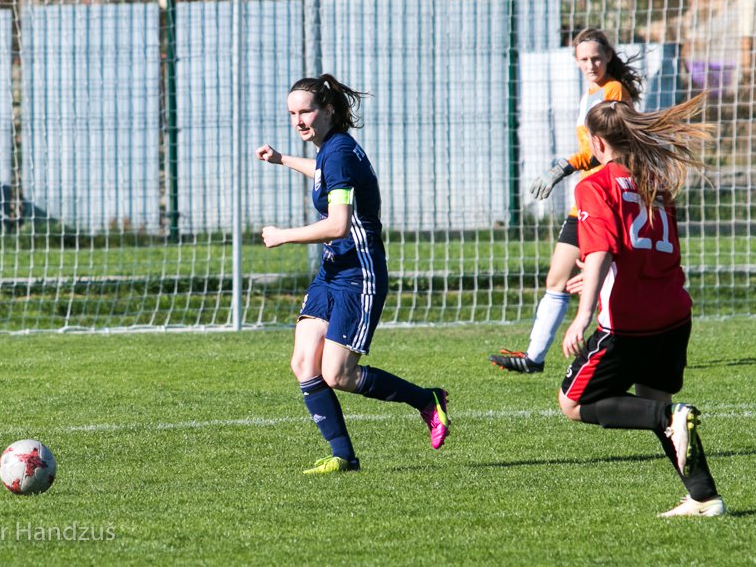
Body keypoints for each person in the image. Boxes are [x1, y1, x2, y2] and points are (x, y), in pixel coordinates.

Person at [255, 74, 450, 474]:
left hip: (359, 274)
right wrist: (282, 159)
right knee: (304, 362)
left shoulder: (339, 152)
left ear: (327, 110)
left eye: (305, 111)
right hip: (332, 270)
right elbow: (323, 172)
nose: (298, 120)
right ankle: (343, 456)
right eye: (292, 113)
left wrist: (283, 236)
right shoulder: (332, 149)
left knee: (337, 374)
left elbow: (339, 225)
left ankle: (427, 400)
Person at [557, 94, 725, 517]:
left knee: (572, 403)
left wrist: (582, 314)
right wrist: (600, 276)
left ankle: (670, 416)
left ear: (597, 142)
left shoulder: (593, 185)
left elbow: (601, 251)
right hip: (672, 314)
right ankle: (704, 496)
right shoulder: (656, 181)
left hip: (629, 321)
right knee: (653, 402)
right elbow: (638, 248)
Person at [490, 28, 643, 374]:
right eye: (584, 59)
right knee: (557, 278)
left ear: (608, 57)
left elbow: (604, 147)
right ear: (575, 61)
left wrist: (562, 166)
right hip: (586, 199)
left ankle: (624, 344)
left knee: (608, 277)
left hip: (605, 197)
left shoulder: (613, 91)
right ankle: (533, 358)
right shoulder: (591, 92)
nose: (591, 64)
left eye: (596, 58)